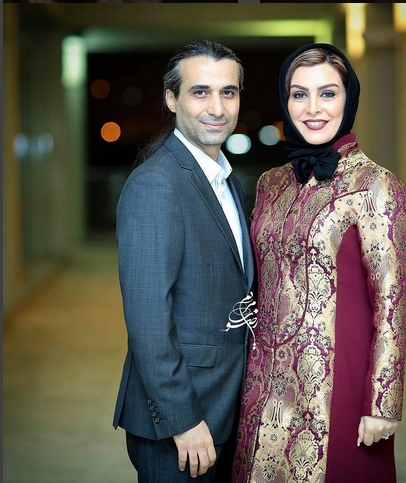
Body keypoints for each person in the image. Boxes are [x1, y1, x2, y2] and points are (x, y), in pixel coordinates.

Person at [231, 43, 406, 483]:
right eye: (300, 94)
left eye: (328, 93)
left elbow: (393, 301)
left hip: (340, 385)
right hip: (264, 386)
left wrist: (383, 403)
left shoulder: (376, 185)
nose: (313, 108)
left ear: (349, 99)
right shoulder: (272, 183)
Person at [113, 40, 255, 483]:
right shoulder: (156, 184)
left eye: (228, 92)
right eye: (200, 92)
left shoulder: (225, 179)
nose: (217, 107)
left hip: (225, 406)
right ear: (172, 99)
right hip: (182, 424)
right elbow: (148, 319)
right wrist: (184, 420)